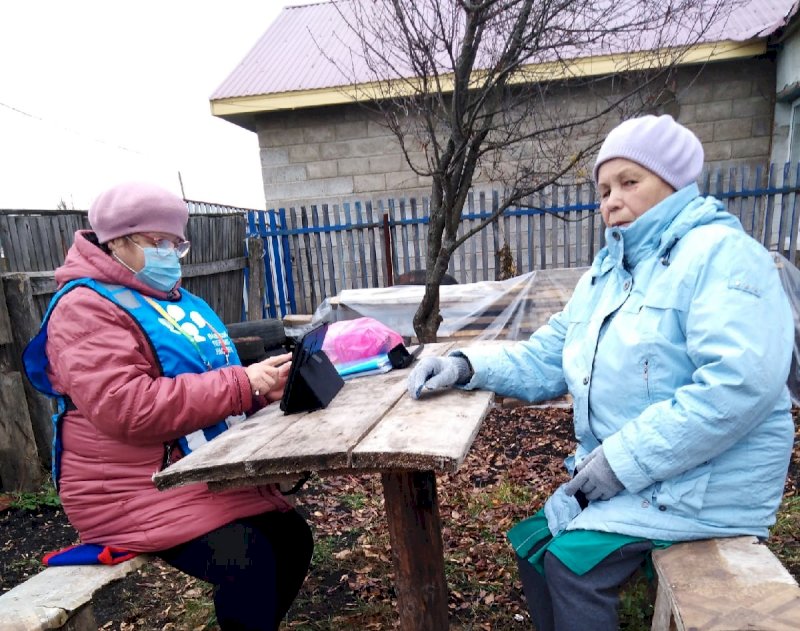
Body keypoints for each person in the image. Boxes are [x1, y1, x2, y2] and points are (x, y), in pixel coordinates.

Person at [407, 115, 794, 630]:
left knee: (571, 565)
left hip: (706, 487)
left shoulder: (722, 258)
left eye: (630, 182)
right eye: (605, 188)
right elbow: (548, 355)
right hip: (646, 478)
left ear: (676, 184)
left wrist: (620, 463)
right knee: (534, 545)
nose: (611, 200)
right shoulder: (610, 273)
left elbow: (738, 386)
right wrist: (464, 364)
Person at [23, 181, 313, 631]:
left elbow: (212, 382)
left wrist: (261, 390)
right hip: (130, 491)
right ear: (116, 241)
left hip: (195, 472)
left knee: (292, 539)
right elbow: (127, 407)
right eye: (157, 242)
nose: (169, 254)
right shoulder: (83, 308)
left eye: (176, 243)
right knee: (248, 558)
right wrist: (242, 384)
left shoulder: (178, 301)